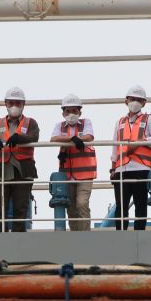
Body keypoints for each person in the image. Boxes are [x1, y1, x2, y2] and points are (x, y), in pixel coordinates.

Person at [0, 87, 39, 232]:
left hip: (23, 170)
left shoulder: (31, 122)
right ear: (6, 104)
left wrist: (19, 138)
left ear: (23, 104)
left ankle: (18, 238)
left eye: (18, 103)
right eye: (11, 103)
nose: (14, 106)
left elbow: (34, 137)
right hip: (3, 169)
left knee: (20, 207)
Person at [110, 85, 151, 230]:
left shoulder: (149, 119)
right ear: (126, 101)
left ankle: (139, 233)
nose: (135, 102)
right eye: (133, 99)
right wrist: (112, 168)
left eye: (139, 100)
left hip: (141, 168)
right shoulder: (119, 122)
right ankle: (121, 233)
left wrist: (140, 143)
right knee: (121, 206)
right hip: (121, 169)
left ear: (144, 103)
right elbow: (115, 146)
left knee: (140, 204)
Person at [50, 93, 96, 231]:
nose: (71, 114)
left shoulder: (86, 123)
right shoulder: (59, 126)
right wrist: (73, 138)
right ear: (63, 112)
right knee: (70, 206)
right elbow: (53, 139)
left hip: (85, 173)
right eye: (68, 111)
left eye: (74, 111)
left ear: (80, 112)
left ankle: (85, 235)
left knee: (82, 203)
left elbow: (89, 136)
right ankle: (75, 235)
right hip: (67, 174)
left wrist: (72, 138)